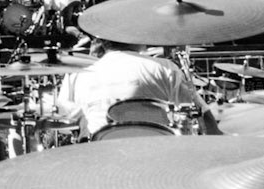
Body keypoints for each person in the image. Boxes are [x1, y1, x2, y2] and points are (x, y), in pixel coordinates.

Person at [56, 47, 207, 140]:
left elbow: (65, 118)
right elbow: (200, 113)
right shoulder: (164, 68)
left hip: (98, 158)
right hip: (156, 157)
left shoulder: (78, 74)